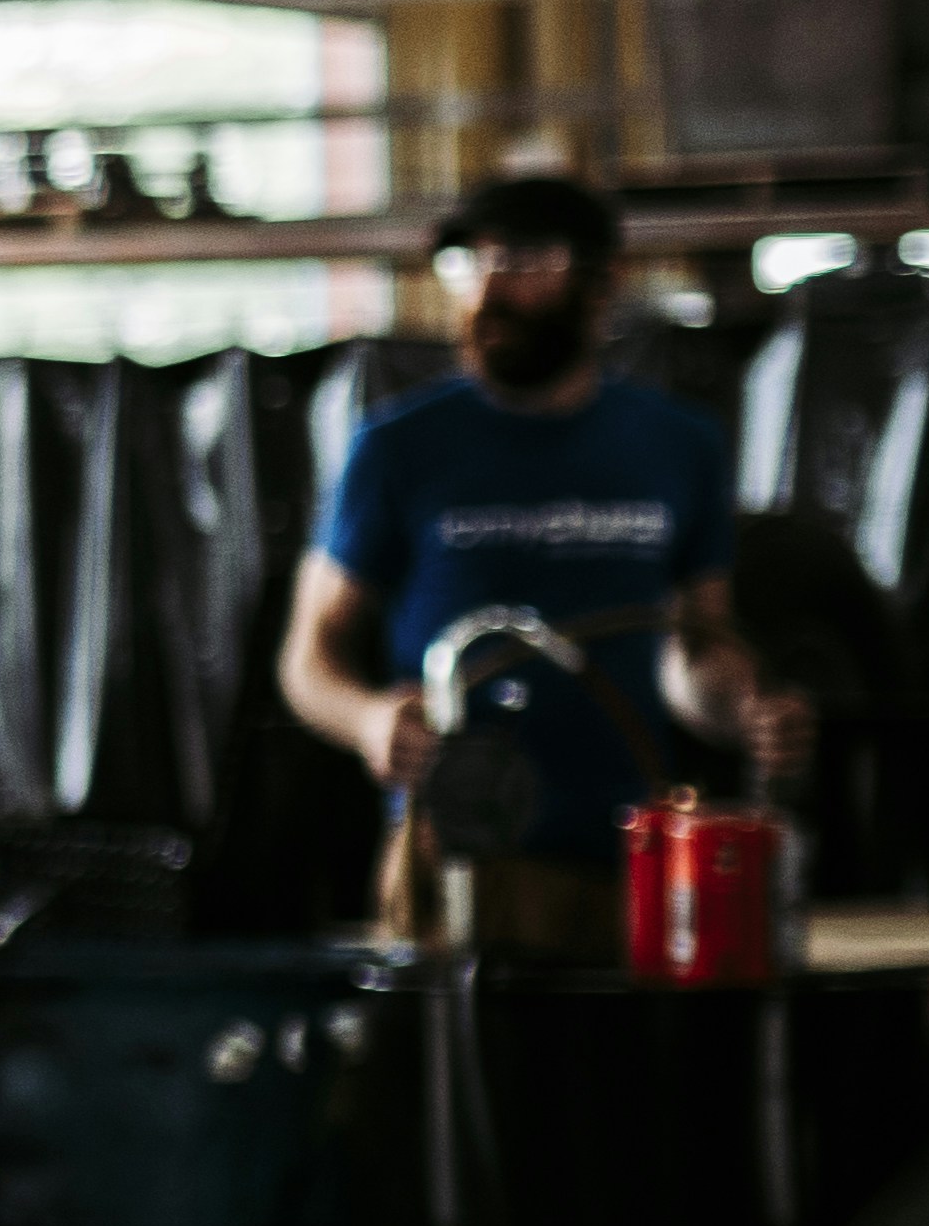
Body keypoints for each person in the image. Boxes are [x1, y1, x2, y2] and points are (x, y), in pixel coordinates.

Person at [278, 170, 805, 865]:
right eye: (472, 264)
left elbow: (692, 651)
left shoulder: (679, 445)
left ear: (602, 280)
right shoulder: (397, 447)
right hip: (451, 855)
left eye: (522, 262)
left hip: (634, 848)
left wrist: (744, 710)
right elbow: (307, 659)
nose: (489, 292)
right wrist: (368, 717)